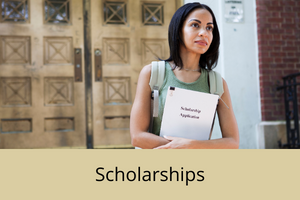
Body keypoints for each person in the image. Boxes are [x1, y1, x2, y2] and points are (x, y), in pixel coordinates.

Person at [130, 2, 239, 149]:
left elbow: (232, 142)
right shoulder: (152, 73)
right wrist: (182, 147)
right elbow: (137, 137)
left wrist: (190, 146)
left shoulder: (217, 83)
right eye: (195, 25)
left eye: (209, 28)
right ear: (179, 30)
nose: (204, 33)